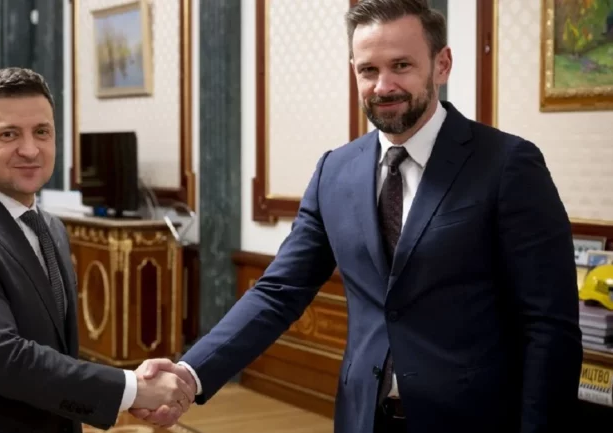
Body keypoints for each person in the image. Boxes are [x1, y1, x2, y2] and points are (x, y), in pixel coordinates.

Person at [132, 0, 583, 432]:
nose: (383, 86)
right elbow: (278, 291)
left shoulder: (507, 165)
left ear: (442, 65)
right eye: (369, 70)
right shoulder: (335, 171)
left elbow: (550, 326)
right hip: (362, 417)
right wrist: (191, 373)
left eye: (401, 65)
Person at [0, 67, 194, 433]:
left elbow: (55, 350)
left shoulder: (51, 227)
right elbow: (6, 360)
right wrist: (133, 389)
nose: (30, 149)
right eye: (8, 134)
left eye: (42, 132)